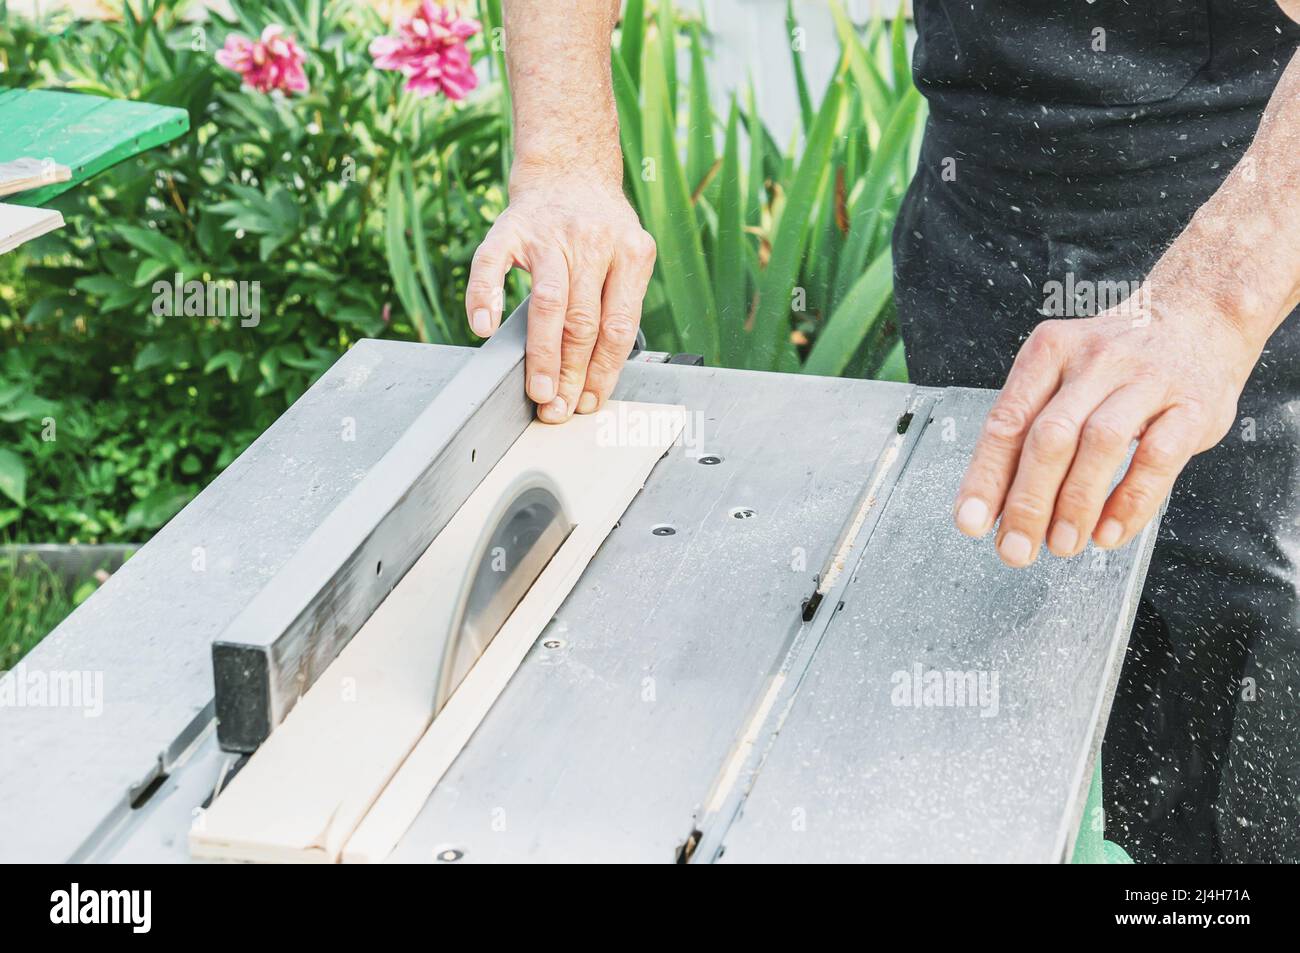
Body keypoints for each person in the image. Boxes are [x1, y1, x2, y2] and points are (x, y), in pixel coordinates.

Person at [466, 1, 1300, 863]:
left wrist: (1216, 304)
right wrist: (564, 160)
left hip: (1252, 239)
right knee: (983, 709)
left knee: (1224, 774)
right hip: (980, 223)